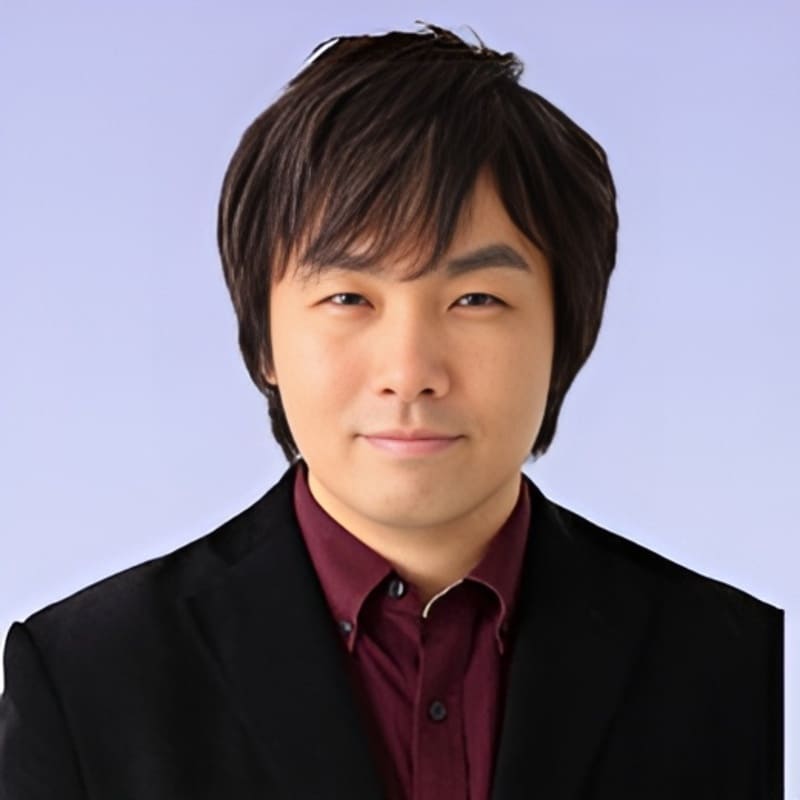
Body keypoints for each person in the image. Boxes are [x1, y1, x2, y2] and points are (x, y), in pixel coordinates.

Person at [0, 21, 783, 799]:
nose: (409, 374)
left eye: (475, 299)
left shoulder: (745, 672)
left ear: (566, 332)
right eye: (348, 297)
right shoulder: (85, 683)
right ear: (265, 340)